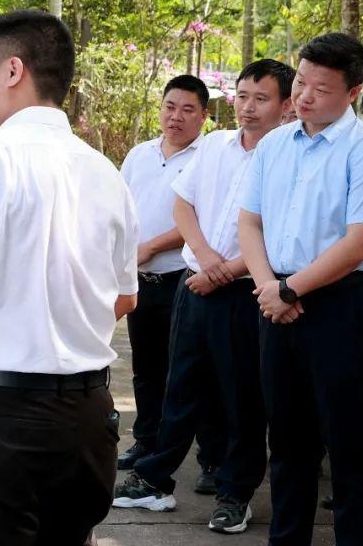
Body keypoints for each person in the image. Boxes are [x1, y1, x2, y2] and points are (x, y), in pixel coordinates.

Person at [0, 9, 140, 545]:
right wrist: (60, 331)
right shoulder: (106, 171)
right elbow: (125, 298)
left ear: (13, 70)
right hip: (87, 418)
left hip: (3, 417)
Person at [113, 59, 294, 534]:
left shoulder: (286, 157)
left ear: (286, 105)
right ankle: (154, 480)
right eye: (242, 96)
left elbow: (278, 234)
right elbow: (182, 202)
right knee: (181, 385)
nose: (249, 107)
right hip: (196, 287)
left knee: (241, 398)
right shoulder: (214, 146)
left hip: (243, 292)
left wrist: (223, 270)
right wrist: (205, 256)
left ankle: (235, 494)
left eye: (262, 99)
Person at [238, 32, 363, 546]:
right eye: (301, 82)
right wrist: (268, 287)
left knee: (352, 442)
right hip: (275, 301)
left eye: (321, 87)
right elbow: (249, 223)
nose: (305, 96)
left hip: (343, 304)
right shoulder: (274, 145)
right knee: (288, 440)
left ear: (353, 92)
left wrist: (290, 290)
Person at [117, 75, 225, 490]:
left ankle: (211, 458)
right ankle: (146, 442)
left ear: (204, 115)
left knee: (196, 373)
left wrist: (150, 246)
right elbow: (121, 207)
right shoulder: (139, 154)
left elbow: (197, 216)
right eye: (169, 106)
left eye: (187, 109)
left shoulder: (209, 157)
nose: (175, 117)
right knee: (146, 369)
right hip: (140, 280)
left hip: (183, 277)